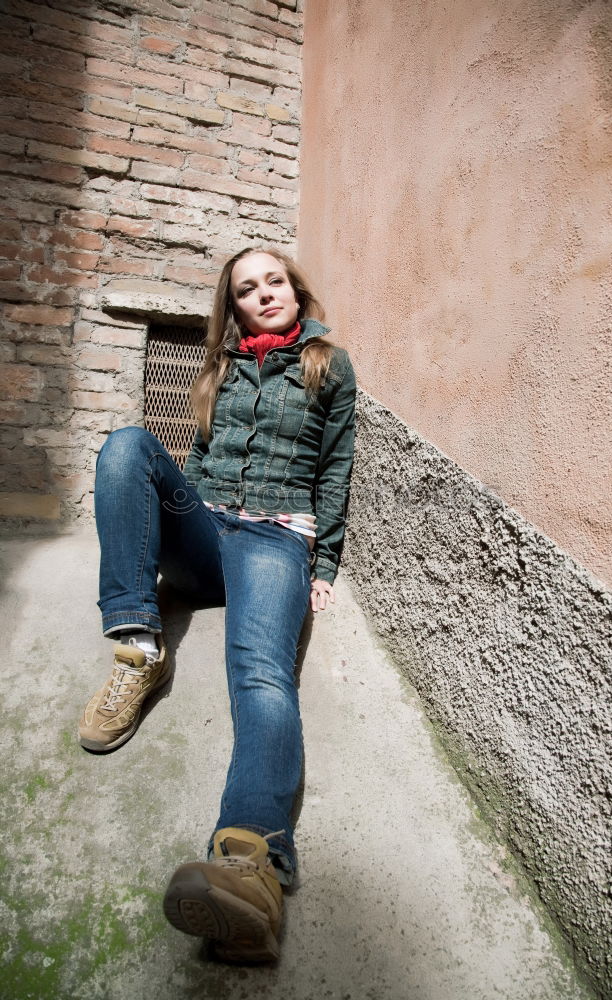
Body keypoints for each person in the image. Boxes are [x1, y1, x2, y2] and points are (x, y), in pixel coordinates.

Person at [78, 247, 356, 962]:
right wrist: (190, 514)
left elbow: (335, 468)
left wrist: (323, 560)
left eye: (273, 282)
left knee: (262, 674)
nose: (263, 295)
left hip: (274, 537)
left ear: (295, 289)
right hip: (210, 529)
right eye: (245, 290)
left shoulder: (329, 364)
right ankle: (139, 645)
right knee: (127, 446)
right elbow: (198, 457)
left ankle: (249, 861)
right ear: (231, 308)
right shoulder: (219, 367)